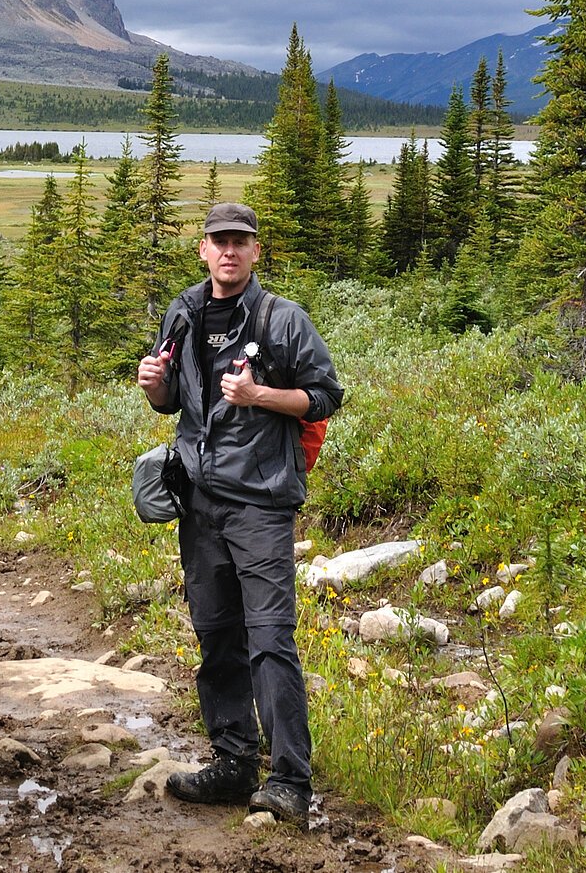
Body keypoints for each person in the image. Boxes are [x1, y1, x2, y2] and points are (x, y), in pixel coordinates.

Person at [134, 201, 344, 826]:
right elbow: (174, 400)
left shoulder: (283, 320)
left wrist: (260, 396)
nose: (229, 251)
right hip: (199, 501)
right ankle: (232, 761)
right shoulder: (185, 311)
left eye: (240, 242)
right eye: (219, 241)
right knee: (216, 632)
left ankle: (290, 781)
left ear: (255, 252)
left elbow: (326, 395)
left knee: (270, 639)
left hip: (260, 501)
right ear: (203, 249)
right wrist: (153, 385)